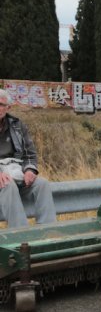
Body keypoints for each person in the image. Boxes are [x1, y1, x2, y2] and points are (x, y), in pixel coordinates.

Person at [0, 89, 56, 228]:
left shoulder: (17, 125)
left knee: (42, 184)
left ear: (8, 107)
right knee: (8, 184)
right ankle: (21, 235)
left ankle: (47, 232)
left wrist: (30, 170)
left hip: (15, 170)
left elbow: (29, 154)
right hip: (3, 177)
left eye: (1, 104)